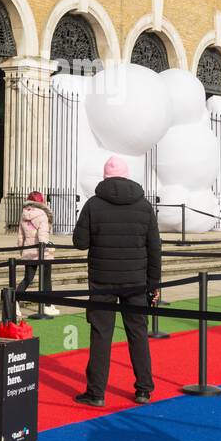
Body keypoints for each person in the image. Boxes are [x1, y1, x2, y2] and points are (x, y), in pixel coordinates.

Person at [72, 155, 161, 407]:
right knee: (138, 333)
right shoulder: (144, 206)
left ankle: (96, 392)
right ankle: (144, 389)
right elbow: (155, 248)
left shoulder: (93, 204)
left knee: (101, 334)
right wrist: (154, 285)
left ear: (105, 176)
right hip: (137, 280)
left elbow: (80, 243)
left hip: (102, 279)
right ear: (127, 175)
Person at [16, 191, 60, 317]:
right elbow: (43, 236)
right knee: (46, 278)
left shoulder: (24, 214)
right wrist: (45, 249)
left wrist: (22, 250)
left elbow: (20, 236)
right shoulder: (42, 215)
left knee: (27, 279)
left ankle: (15, 301)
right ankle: (48, 305)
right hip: (42, 252)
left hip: (28, 250)